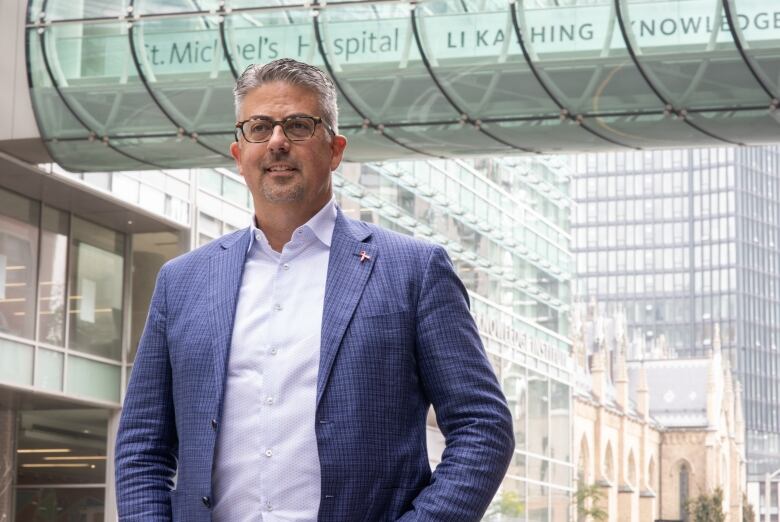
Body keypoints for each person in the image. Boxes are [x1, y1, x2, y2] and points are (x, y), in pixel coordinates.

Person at [114, 58, 514, 522]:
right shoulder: (182, 281)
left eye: (299, 126)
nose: (278, 141)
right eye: (259, 127)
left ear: (335, 149)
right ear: (238, 153)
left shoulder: (414, 270)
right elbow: (142, 444)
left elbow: (483, 426)